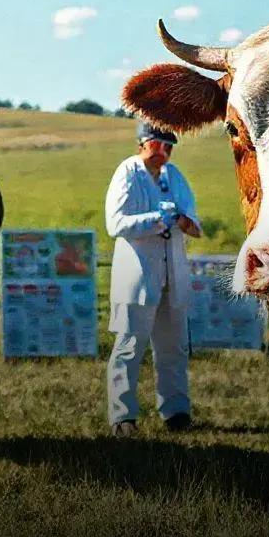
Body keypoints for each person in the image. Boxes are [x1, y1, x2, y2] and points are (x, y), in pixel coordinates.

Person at [104, 121, 202, 437]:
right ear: (143, 143)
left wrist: (185, 221)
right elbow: (116, 223)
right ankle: (122, 416)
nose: (165, 152)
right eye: (159, 145)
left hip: (172, 272)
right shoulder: (128, 173)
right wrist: (157, 219)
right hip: (138, 274)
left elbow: (193, 220)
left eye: (169, 146)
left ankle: (175, 411)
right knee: (130, 345)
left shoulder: (174, 176)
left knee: (173, 347)